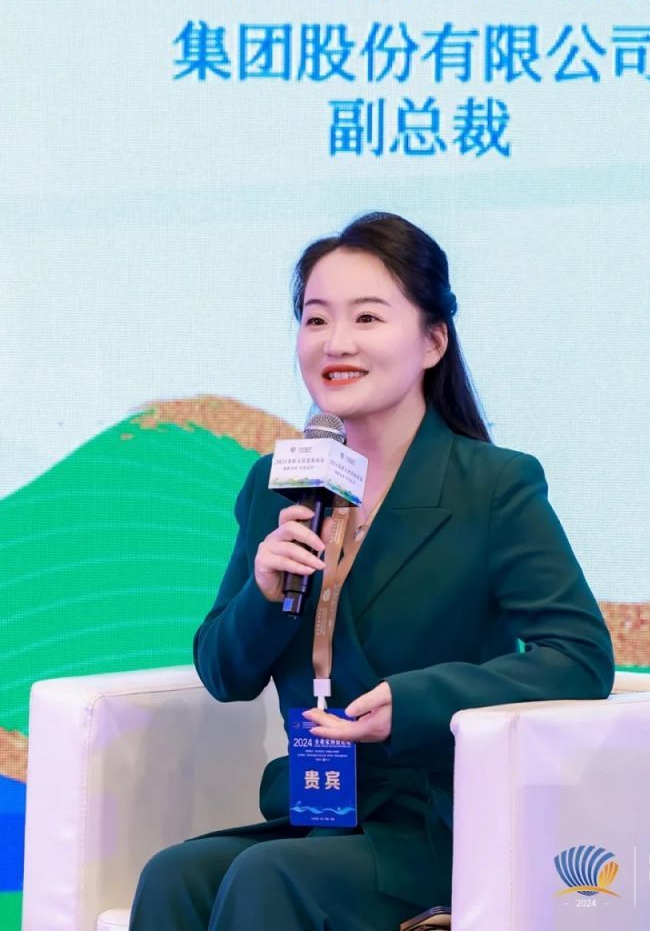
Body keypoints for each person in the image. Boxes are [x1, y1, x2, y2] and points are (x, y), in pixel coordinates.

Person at [130, 211, 614, 931]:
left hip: (438, 823)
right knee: (174, 876)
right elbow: (225, 674)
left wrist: (416, 703)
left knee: (270, 877)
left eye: (367, 317)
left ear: (433, 341)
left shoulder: (491, 486)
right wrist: (263, 596)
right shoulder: (278, 484)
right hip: (319, 808)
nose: (336, 343)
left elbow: (579, 658)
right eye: (316, 319)